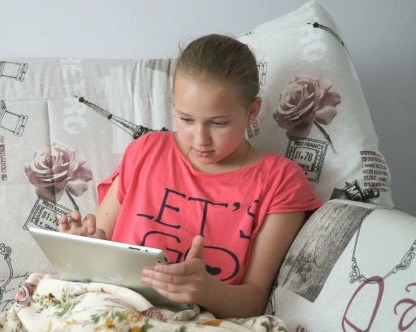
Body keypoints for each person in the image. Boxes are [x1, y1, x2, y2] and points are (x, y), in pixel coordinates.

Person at [59, 34, 323, 319]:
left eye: (218, 123)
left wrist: (205, 290)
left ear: (252, 112)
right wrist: (81, 247)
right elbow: (101, 244)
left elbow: (254, 302)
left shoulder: (280, 181)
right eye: (186, 119)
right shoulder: (146, 151)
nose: (200, 140)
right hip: (109, 310)